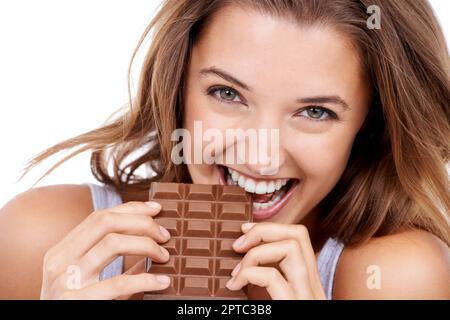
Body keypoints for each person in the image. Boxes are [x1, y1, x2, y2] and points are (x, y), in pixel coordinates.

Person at [0, 0, 449, 300]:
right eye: (227, 94)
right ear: (176, 86)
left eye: (315, 112)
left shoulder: (393, 278)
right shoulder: (41, 240)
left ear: (370, 127)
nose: (259, 157)